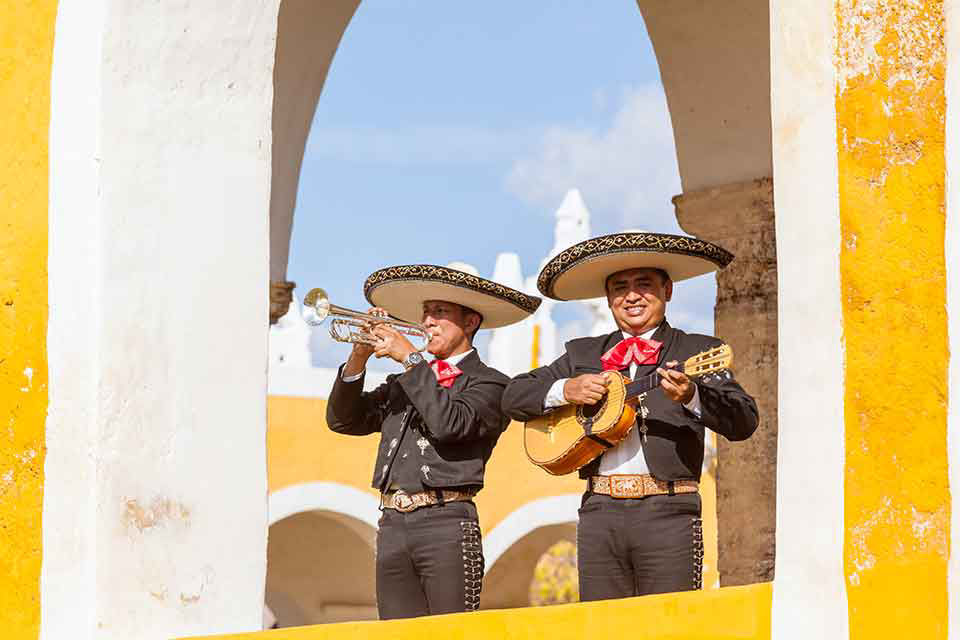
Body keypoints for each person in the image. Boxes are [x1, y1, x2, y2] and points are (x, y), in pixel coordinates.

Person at [502, 232, 759, 600]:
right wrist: (565, 390)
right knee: (602, 629)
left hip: (670, 512)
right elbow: (512, 396)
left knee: (671, 628)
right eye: (620, 287)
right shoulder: (583, 353)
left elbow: (744, 420)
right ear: (608, 299)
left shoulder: (698, 350)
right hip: (599, 512)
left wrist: (692, 395)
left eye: (644, 284)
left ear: (667, 290)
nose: (632, 295)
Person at [326, 264, 541, 619]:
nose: (428, 322)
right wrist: (358, 357)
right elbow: (343, 420)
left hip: (447, 525)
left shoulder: (492, 384)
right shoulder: (404, 383)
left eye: (440, 313)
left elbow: (450, 424)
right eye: (426, 313)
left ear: (470, 322)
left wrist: (411, 360)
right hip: (393, 524)